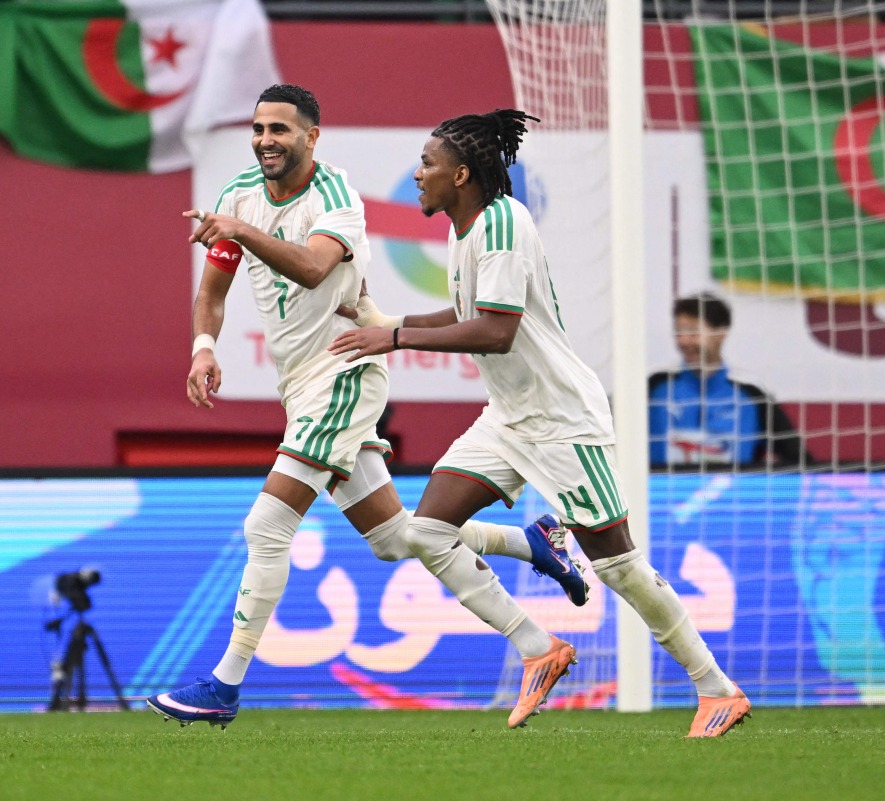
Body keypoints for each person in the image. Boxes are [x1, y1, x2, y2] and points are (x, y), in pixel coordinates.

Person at [146, 85, 588, 730]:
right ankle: (534, 584)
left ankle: (224, 686)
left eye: (280, 130)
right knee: (396, 539)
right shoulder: (239, 194)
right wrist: (204, 348)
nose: (266, 140)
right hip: (299, 385)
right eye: (259, 128)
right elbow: (213, 289)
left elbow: (312, 268)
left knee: (266, 528)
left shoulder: (336, 198)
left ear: (311, 137)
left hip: (343, 374)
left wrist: (242, 229)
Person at [328, 109, 751, 737]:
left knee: (620, 567)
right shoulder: (466, 228)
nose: (417, 174)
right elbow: (468, 312)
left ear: (461, 174)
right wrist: (387, 321)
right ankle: (537, 642)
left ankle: (716, 688)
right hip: (508, 418)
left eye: (427, 163)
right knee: (427, 533)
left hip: (561, 421)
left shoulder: (502, 223)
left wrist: (392, 337)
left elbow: (496, 331)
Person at [648, 292, 805, 468]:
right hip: (659, 486)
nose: (683, 341)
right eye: (678, 332)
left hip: (732, 486)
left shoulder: (751, 393)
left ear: (721, 333)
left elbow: (800, 460)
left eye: (693, 332)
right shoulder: (655, 386)